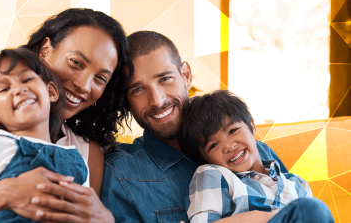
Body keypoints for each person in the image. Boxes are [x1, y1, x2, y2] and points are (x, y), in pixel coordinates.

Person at [101, 31, 288, 222]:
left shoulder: (255, 150)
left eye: (165, 79)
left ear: (186, 75)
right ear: (126, 100)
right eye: (138, 89)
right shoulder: (120, 175)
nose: (157, 100)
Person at [0, 8, 132, 222]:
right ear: (45, 51)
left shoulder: (87, 154)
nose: (84, 85)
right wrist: (1, 194)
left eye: (100, 78)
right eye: (76, 63)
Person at [180, 90, 334, 223]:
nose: (228, 146)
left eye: (232, 131)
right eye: (213, 145)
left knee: (314, 209)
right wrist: (267, 217)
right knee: (311, 208)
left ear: (252, 126)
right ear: (204, 157)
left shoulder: (297, 184)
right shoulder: (213, 174)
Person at [0, 48, 91, 222]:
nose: (18, 89)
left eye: (27, 79)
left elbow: (87, 213)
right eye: (4, 89)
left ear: (51, 92)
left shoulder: (78, 161)